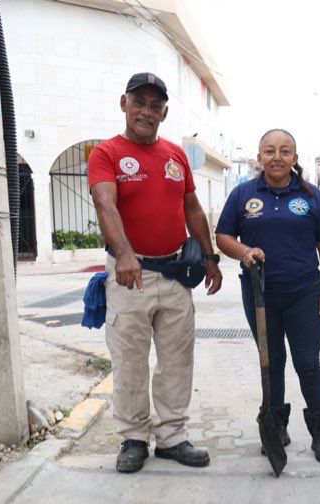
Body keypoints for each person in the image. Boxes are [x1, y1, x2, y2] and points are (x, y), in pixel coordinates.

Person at [88, 72, 223, 474]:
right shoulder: (107, 154)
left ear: (164, 112)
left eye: (154, 105)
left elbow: (193, 208)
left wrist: (211, 257)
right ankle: (133, 438)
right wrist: (125, 254)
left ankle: (172, 437)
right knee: (130, 360)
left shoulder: (175, 155)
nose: (146, 111)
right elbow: (105, 205)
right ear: (124, 104)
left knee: (177, 359)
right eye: (139, 102)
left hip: (176, 273)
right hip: (131, 274)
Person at [215, 129, 320, 462]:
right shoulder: (243, 194)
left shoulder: (313, 197)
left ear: (295, 159)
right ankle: (276, 428)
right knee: (271, 362)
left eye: (285, 151)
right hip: (259, 293)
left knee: (308, 363)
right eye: (269, 151)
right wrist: (244, 251)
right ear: (259, 158)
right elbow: (223, 235)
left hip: (304, 292)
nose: (277, 157)